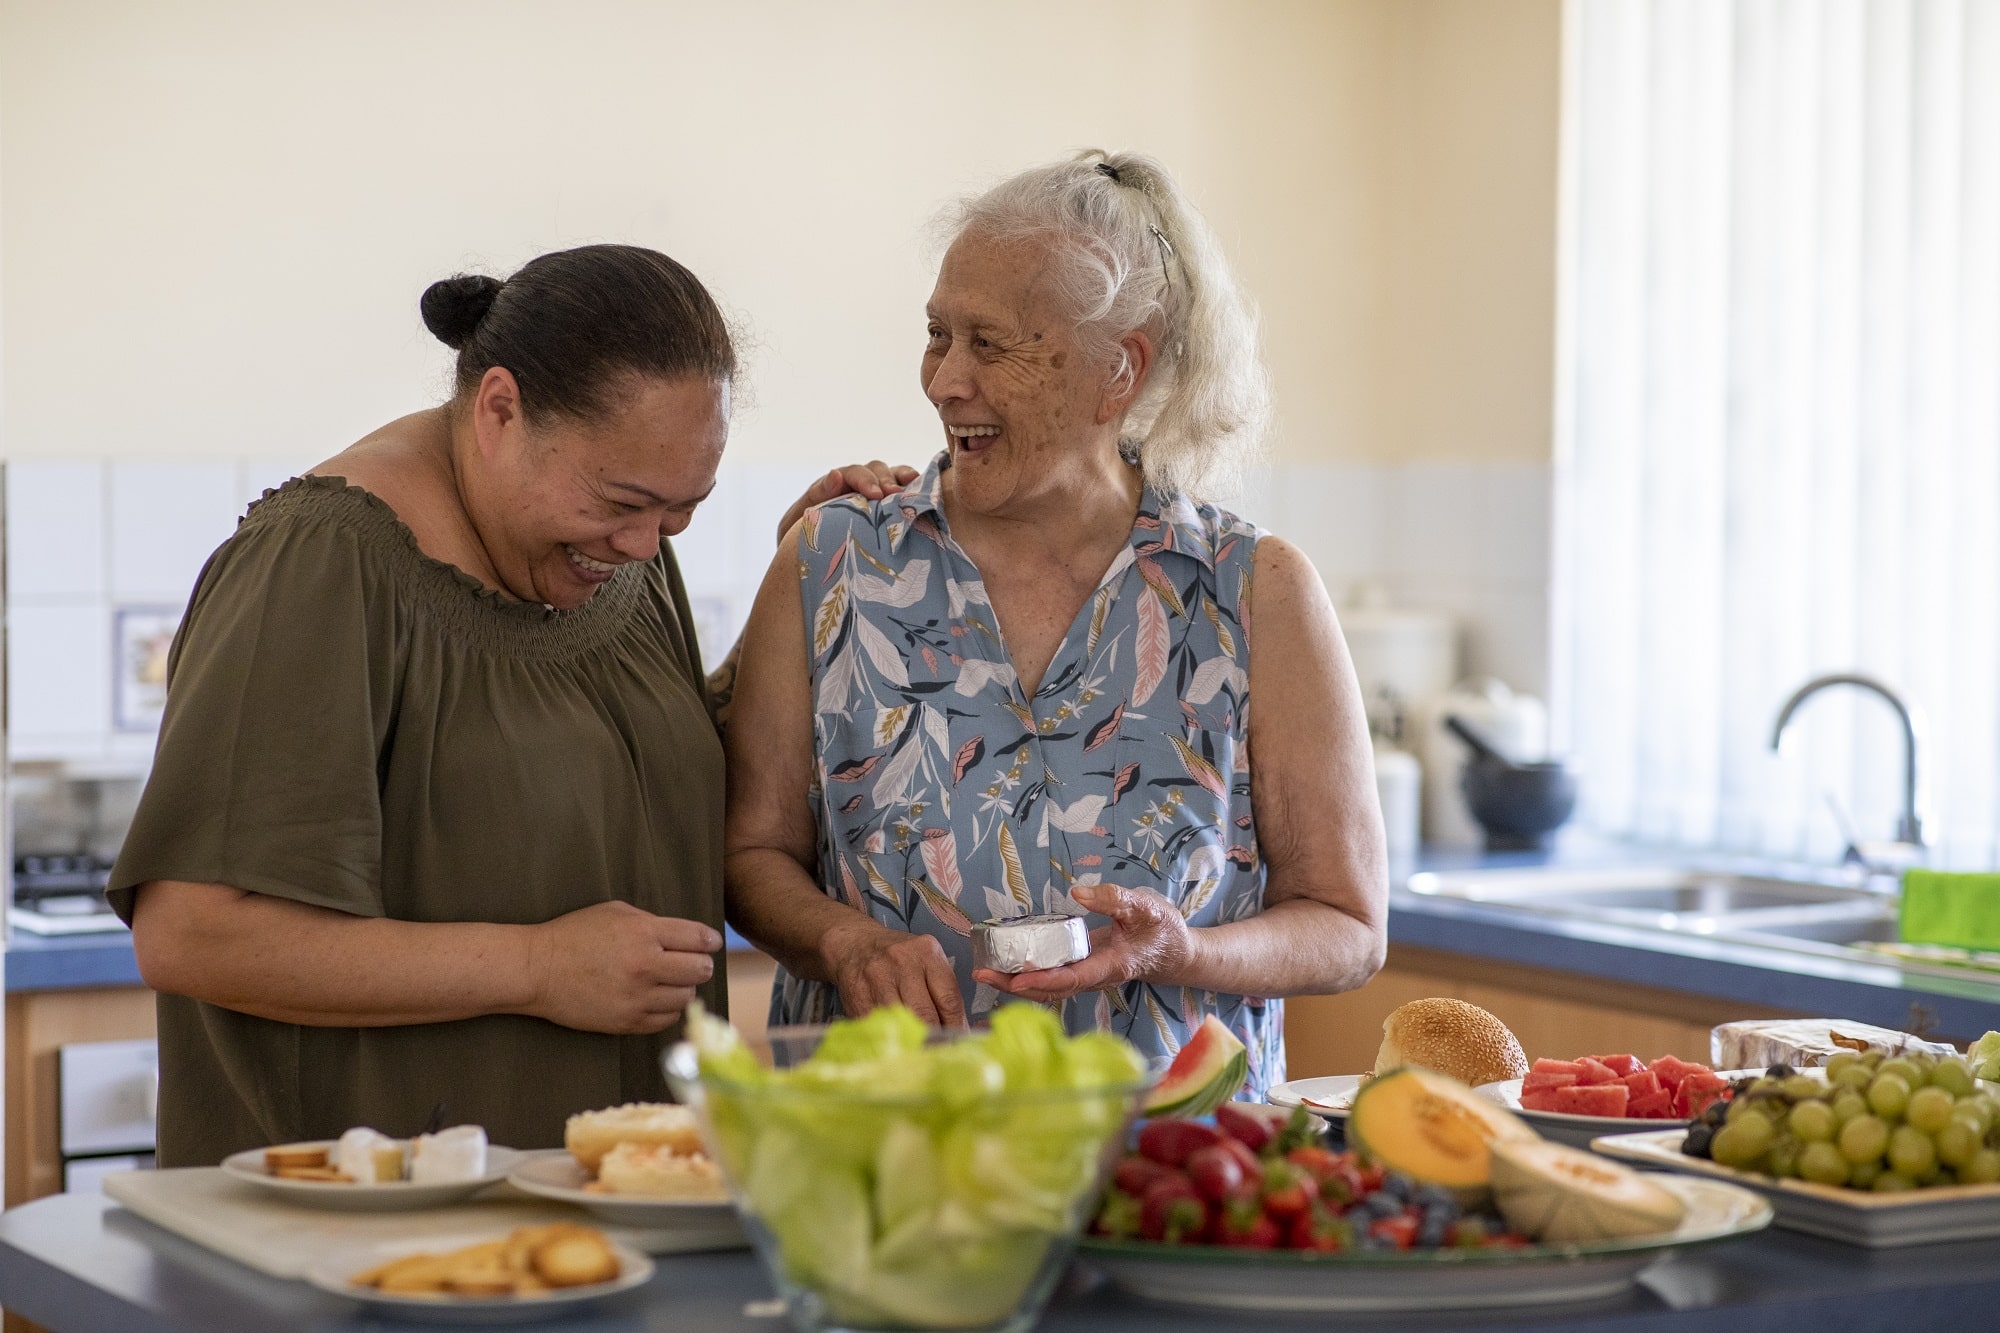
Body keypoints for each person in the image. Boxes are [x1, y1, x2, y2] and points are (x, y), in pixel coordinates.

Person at [112, 244, 911, 1165]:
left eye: (682, 512)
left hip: (593, 1228)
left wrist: (800, 577)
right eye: (626, 500)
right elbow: (193, 933)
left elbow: (655, 774)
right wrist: (537, 967)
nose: (649, 543)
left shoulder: (611, 554)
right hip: (367, 1241)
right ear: (499, 410)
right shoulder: (322, 563)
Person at [724, 152, 1388, 1097]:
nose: (945, 380)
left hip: (1174, 1172)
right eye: (937, 335)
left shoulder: (1256, 591)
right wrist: (844, 939)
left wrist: (1181, 950)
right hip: (885, 1155)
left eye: (990, 345)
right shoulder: (833, 561)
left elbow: (1348, 927)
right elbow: (749, 854)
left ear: (1118, 370)